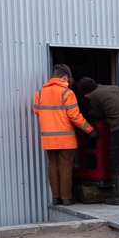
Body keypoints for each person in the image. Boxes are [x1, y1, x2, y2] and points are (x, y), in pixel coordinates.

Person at [33, 64, 96, 205]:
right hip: (65, 139)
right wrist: (89, 130)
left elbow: (37, 111)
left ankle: (56, 197)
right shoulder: (67, 93)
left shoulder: (40, 92)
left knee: (53, 166)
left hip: (49, 138)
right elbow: (74, 116)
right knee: (66, 167)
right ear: (65, 77)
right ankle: (66, 198)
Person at [76, 77, 119, 205]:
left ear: (85, 92)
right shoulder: (115, 88)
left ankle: (116, 198)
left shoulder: (94, 96)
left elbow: (97, 115)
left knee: (115, 163)